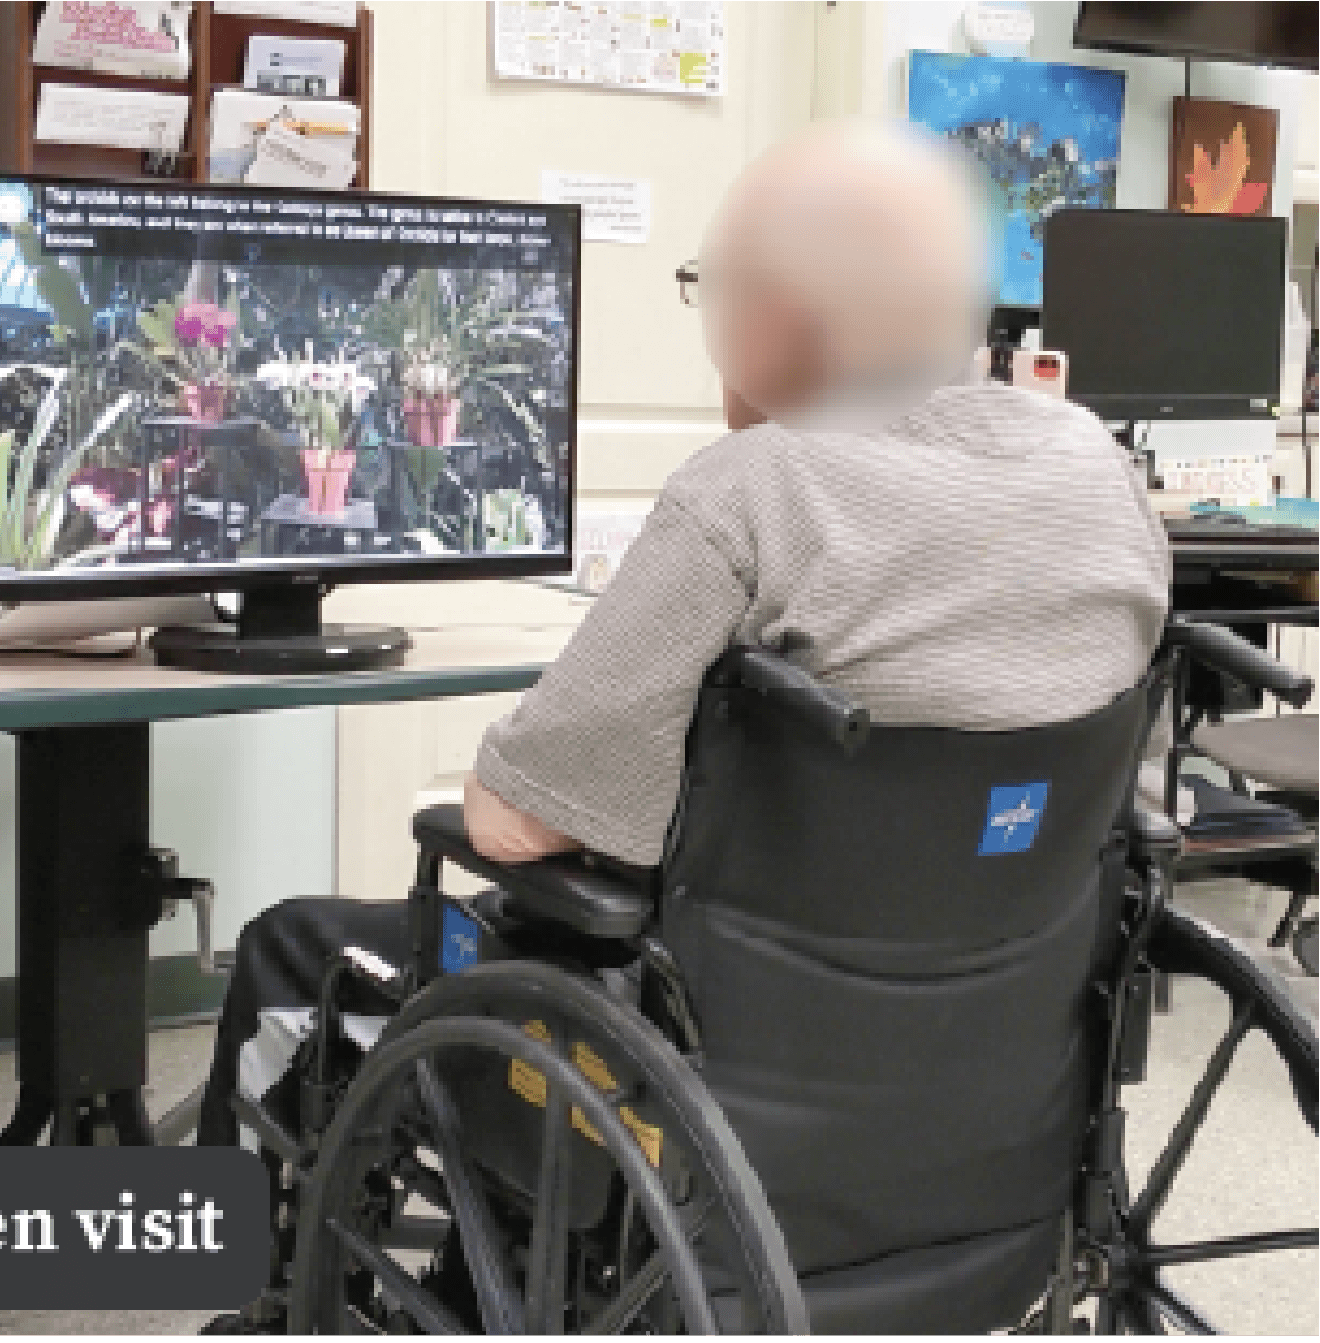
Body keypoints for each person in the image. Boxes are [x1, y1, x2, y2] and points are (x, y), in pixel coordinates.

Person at [195, 119, 1172, 1155]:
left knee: (293, 944)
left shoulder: (754, 490)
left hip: (714, 1085)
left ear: (781, 321)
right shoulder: (1094, 468)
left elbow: (514, 825)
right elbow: (1106, 784)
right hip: (994, 1080)